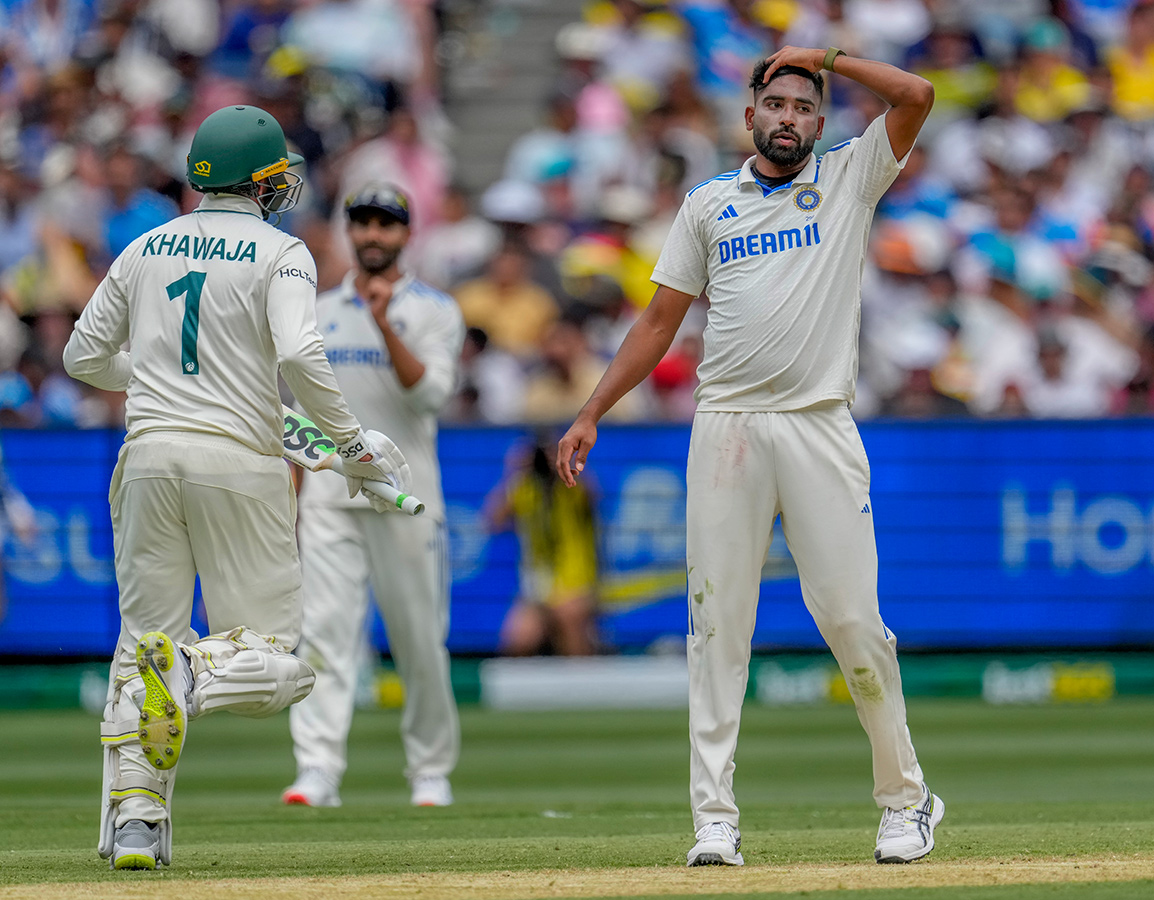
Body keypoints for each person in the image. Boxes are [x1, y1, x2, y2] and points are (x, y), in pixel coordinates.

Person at [557, 47, 943, 867]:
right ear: (751, 117)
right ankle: (714, 818)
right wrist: (593, 409)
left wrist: (819, 56)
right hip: (726, 426)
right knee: (716, 627)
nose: (790, 119)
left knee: (850, 622)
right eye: (778, 106)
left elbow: (916, 94)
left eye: (806, 107)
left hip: (817, 424)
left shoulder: (847, 178)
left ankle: (906, 800)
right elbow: (659, 324)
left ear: (819, 123)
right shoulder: (708, 205)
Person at [62, 105, 406, 870]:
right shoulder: (282, 253)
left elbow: (82, 356)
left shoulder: (147, 243)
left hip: (147, 455)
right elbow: (302, 351)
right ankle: (191, 672)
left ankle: (137, 826)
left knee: (140, 647)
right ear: (261, 181)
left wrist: (149, 381)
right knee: (285, 663)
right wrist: (350, 444)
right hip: (237, 464)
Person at [284, 183, 464, 809]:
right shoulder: (314, 312)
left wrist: (384, 323)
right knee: (325, 636)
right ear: (348, 232)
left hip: (406, 496)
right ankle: (318, 770)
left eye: (385, 224)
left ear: (406, 234)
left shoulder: (434, 310)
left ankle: (429, 771)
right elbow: (297, 412)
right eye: (362, 222)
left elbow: (429, 397)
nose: (372, 235)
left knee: (418, 640)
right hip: (332, 498)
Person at [484, 435, 600, 656]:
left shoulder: (570, 486)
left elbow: (593, 495)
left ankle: (581, 684)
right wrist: (515, 472)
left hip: (575, 581)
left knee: (569, 619)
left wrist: (567, 464)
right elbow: (493, 521)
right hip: (537, 586)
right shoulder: (524, 488)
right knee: (518, 638)